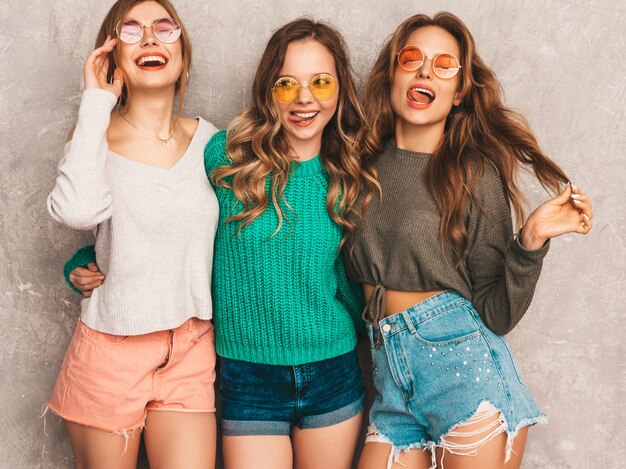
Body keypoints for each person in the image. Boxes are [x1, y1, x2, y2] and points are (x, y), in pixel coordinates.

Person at [63, 18, 378, 469]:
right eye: (287, 84)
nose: (305, 98)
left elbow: (351, 280)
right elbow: (162, 212)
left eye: (321, 82)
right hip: (247, 377)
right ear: (269, 90)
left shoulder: (349, 176)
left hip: (333, 369)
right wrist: (92, 259)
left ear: (341, 89)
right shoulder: (225, 155)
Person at [345, 12, 593, 469]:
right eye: (413, 58)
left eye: (444, 65)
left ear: (459, 93)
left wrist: (531, 239)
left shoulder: (472, 175)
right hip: (389, 379)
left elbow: (496, 313)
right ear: (393, 74)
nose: (425, 70)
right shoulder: (359, 168)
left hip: (463, 371)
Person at [46, 1, 219, 468]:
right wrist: (95, 101)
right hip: (110, 351)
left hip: (191, 348)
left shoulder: (212, 142)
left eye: (164, 28)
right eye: (131, 31)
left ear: (182, 50)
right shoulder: (92, 138)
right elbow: (77, 212)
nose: (148, 39)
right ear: (113, 56)